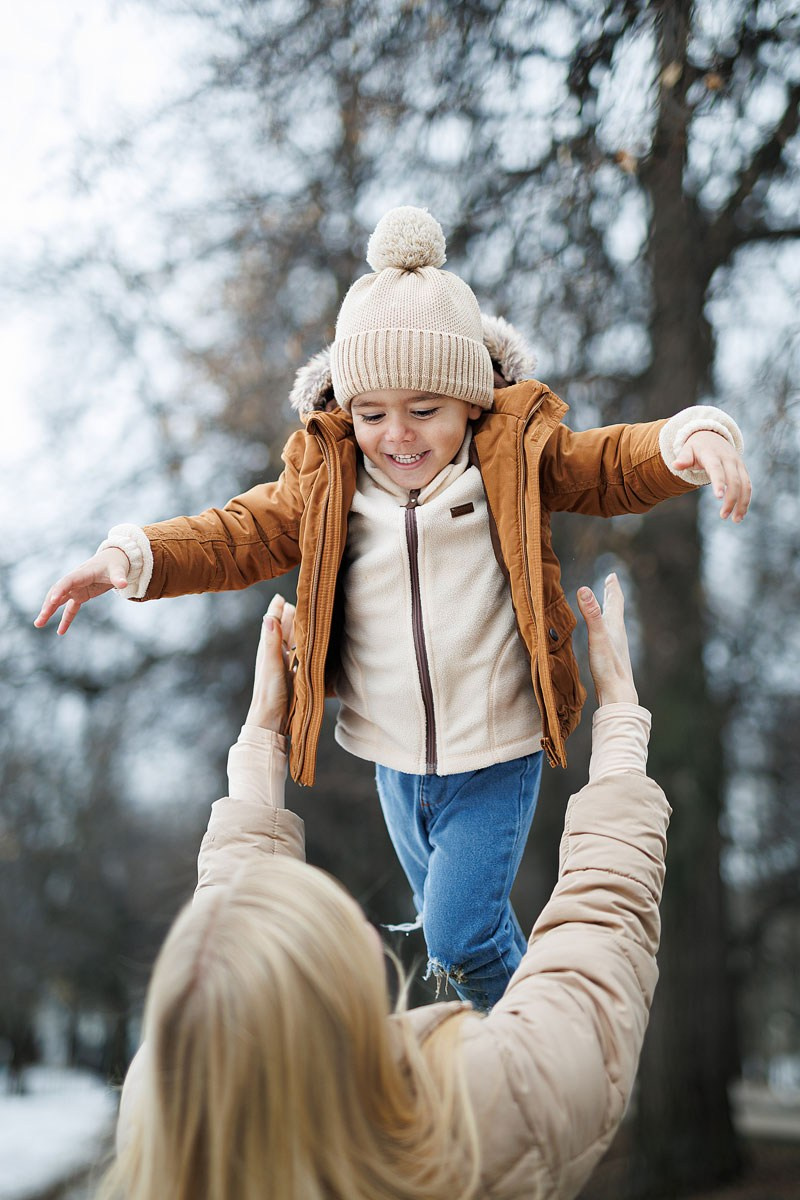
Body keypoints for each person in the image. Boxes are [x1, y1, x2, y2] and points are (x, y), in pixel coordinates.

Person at [35, 206, 751, 1010]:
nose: (398, 435)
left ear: (472, 402)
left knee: (458, 934)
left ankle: (541, 1056)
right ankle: (481, 1067)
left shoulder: (514, 459)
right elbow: (234, 535)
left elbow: (609, 463)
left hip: (496, 751)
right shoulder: (328, 482)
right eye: (372, 413)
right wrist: (129, 557)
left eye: (425, 410)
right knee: (445, 944)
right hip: (391, 762)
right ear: (347, 409)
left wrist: (687, 440)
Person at [100, 574, 669, 1200]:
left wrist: (262, 736)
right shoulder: (458, 1123)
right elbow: (597, 951)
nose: (370, 945)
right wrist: (619, 722)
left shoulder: (165, 1118)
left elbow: (233, 968)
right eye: (342, 941)